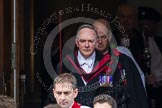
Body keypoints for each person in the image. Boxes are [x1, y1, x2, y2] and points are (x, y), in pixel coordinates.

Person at [93, 18, 149, 108]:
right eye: (96, 37)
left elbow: (136, 94)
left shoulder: (124, 61)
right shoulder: (86, 62)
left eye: (103, 37)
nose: (99, 41)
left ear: (110, 37)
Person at [138, 6, 162, 108]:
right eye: (143, 23)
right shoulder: (136, 41)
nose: (145, 27)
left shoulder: (160, 42)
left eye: (149, 23)